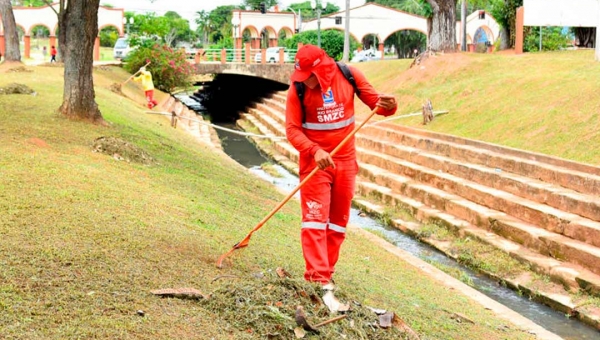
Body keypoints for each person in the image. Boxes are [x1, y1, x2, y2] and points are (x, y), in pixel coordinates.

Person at [285, 44, 397, 310]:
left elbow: (377, 106)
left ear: (322, 69)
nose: (305, 82)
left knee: (336, 223)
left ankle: (327, 274)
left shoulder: (349, 75)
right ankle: (317, 280)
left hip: (345, 161)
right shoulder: (297, 90)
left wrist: (390, 106)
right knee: (314, 220)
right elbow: (292, 130)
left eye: (309, 77)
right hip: (315, 164)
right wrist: (314, 150)